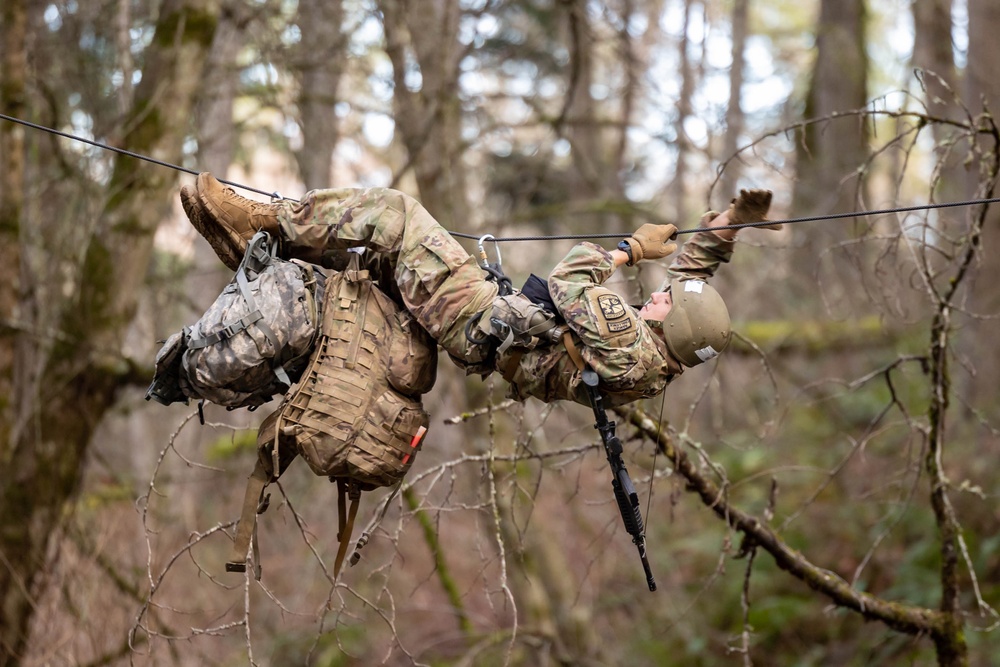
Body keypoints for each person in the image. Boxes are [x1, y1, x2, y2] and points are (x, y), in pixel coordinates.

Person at [179, 173, 774, 408]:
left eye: (664, 303)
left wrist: (627, 250)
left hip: (476, 319)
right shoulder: (658, 361)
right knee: (376, 260)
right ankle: (265, 250)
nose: (657, 296)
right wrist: (729, 225)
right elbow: (695, 282)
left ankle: (267, 221)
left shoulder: (626, 341)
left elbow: (565, 285)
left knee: (396, 215)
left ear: (673, 328)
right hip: (487, 329)